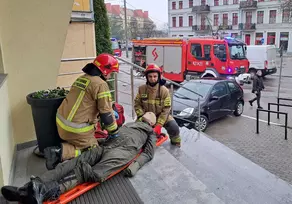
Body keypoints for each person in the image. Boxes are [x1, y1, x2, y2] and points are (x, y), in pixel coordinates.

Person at [1, 112, 158, 204]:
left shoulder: (150, 133)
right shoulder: (131, 125)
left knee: (90, 172)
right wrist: (98, 141)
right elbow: (114, 135)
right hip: (111, 147)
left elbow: (148, 153)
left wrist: (135, 166)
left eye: (145, 120)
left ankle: (40, 191)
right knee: (78, 163)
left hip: (122, 151)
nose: (143, 121)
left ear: (149, 124)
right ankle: (29, 189)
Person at [45, 53, 120, 171]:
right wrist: (114, 131)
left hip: (61, 125)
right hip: (77, 130)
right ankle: (59, 153)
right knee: (94, 151)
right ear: (105, 70)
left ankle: (65, 148)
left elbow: (85, 104)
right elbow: (106, 115)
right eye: (111, 72)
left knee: (92, 142)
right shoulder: (101, 84)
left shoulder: (82, 78)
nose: (110, 75)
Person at [134, 63, 181, 147]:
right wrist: (141, 116)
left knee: (174, 127)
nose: (152, 79)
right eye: (150, 76)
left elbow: (166, 110)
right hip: (146, 117)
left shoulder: (164, 91)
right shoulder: (142, 89)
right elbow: (137, 104)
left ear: (159, 77)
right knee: (136, 130)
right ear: (147, 77)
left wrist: (159, 125)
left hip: (162, 116)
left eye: (155, 76)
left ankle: (176, 142)